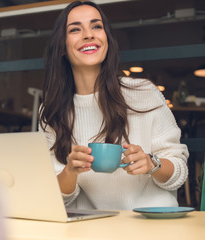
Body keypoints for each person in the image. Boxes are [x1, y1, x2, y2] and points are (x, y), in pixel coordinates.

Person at [39, 0, 189, 210]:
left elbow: (179, 172)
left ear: (106, 40)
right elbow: (56, 197)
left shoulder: (144, 92)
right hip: (94, 227)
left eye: (96, 26)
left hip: (151, 223)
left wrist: (151, 163)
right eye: (75, 29)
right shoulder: (51, 112)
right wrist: (69, 172)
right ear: (62, 47)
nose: (89, 34)